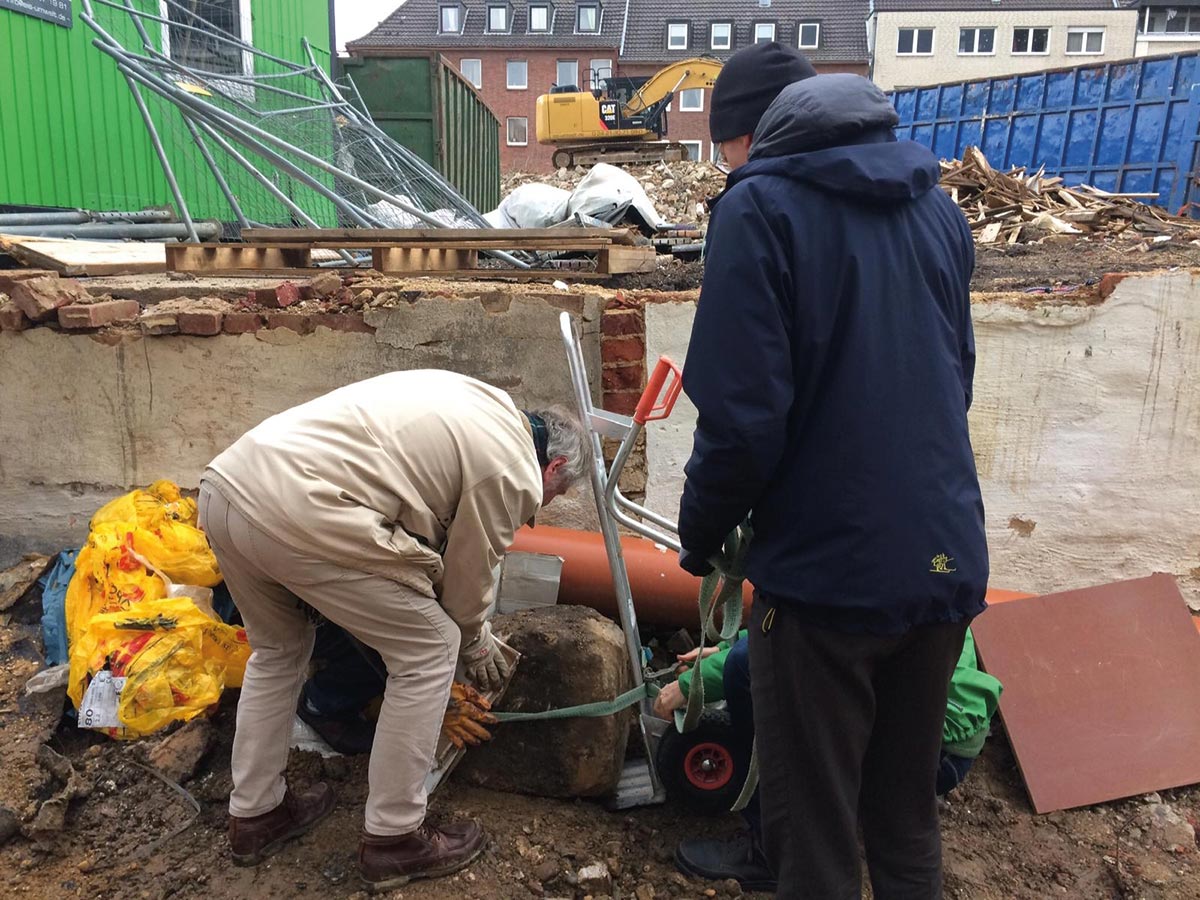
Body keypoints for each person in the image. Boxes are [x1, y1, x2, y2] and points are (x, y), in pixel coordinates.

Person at [675, 41, 988, 900]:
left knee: (809, 831)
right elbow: (954, 380)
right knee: (901, 818)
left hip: (824, 581)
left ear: (746, 136)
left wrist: (699, 535)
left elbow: (741, 424)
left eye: (721, 147)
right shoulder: (939, 210)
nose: (725, 165)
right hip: (944, 560)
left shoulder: (758, 210)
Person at [197, 371, 588, 890]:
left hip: (229, 486)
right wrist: (474, 641)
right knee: (430, 649)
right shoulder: (512, 467)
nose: (538, 514)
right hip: (302, 508)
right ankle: (394, 838)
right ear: (553, 464)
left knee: (278, 650)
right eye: (551, 498)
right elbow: (467, 582)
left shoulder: (479, 401)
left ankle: (256, 814)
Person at [654, 630, 1002, 891]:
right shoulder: (905, 541)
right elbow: (801, 613)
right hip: (942, 737)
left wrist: (694, 683)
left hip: (925, 753)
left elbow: (794, 634)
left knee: (745, 668)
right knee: (750, 656)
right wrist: (730, 644)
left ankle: (773, 854)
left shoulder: (845, 550)